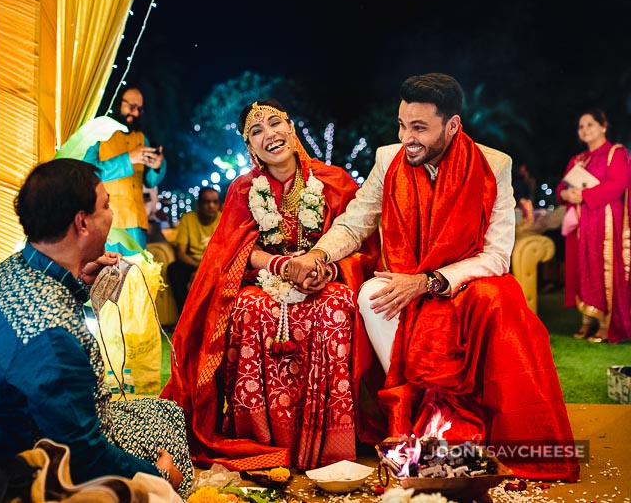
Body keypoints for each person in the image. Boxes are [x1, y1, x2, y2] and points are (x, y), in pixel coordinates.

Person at [289, 73, 580, 482]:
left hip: (461, 284)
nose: (407, 137)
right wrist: (318, 253)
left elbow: (496, 256)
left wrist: (430, 281)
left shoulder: (494, 164)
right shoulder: (388, 160)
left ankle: (470, 430)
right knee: (372, 293)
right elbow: (355, 224)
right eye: (402, 125)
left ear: (453, 126)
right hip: (402, 281)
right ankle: (418, 427)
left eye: (420, 128)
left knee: (498, 299)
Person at [0, 158, 193, 496]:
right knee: (174, 457)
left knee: (165, 411)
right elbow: (82, 453)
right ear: (82, 223)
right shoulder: (52, 337)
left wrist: (80, 283)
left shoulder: (4, 273)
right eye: (106, 205)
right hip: (20, 471)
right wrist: (158, 476)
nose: (111, 214)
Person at [162, 99, 384, 471]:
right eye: (256, 131)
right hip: (266, 283)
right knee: (249, 308)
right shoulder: (242, 190)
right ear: (250, 148)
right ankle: (263, 441)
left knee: (338, 303)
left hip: (323, 279)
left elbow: (362, 244)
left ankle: (329, 444)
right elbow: (233, 251)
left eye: (274, 123)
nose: (269, 135)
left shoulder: (334, 181)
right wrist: (281, 264)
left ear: (291, 128)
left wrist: (325, 269)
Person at [556, 108, 631, 343]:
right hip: (582, 225)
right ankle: (586, 321)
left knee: (602, 268)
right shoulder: (577, 160)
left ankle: (606, 324)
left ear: (603, 126)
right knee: (582, 268)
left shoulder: (615, 153)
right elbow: (561, 188)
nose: (585, 130)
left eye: (590, 124)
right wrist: (567, 195)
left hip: (606, 222)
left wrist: (584, 195)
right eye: (581, 127)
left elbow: (618, 185)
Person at [82, 85, 166, 254]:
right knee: (105, 276)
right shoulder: (97, 134)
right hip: (105, 223)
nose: (135, 113)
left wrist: (158, 166)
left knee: (137, 275)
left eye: (139, 110)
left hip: (135, 222)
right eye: (131, 107)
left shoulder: (141, 138)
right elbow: (88, 173)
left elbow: (149, 181)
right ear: (116, 103)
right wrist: (128, 159)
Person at [167, 186, 221, 311]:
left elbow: (226, 253)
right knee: (174, 270)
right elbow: (180, 253)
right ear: (199, 204)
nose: (211, 206)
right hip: (194, 262)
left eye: (215, 202)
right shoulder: (188, 218)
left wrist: (205, 270)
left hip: (216, 263)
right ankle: (184, 316)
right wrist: (199, 268)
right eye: (207, 202)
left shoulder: (223, 219)